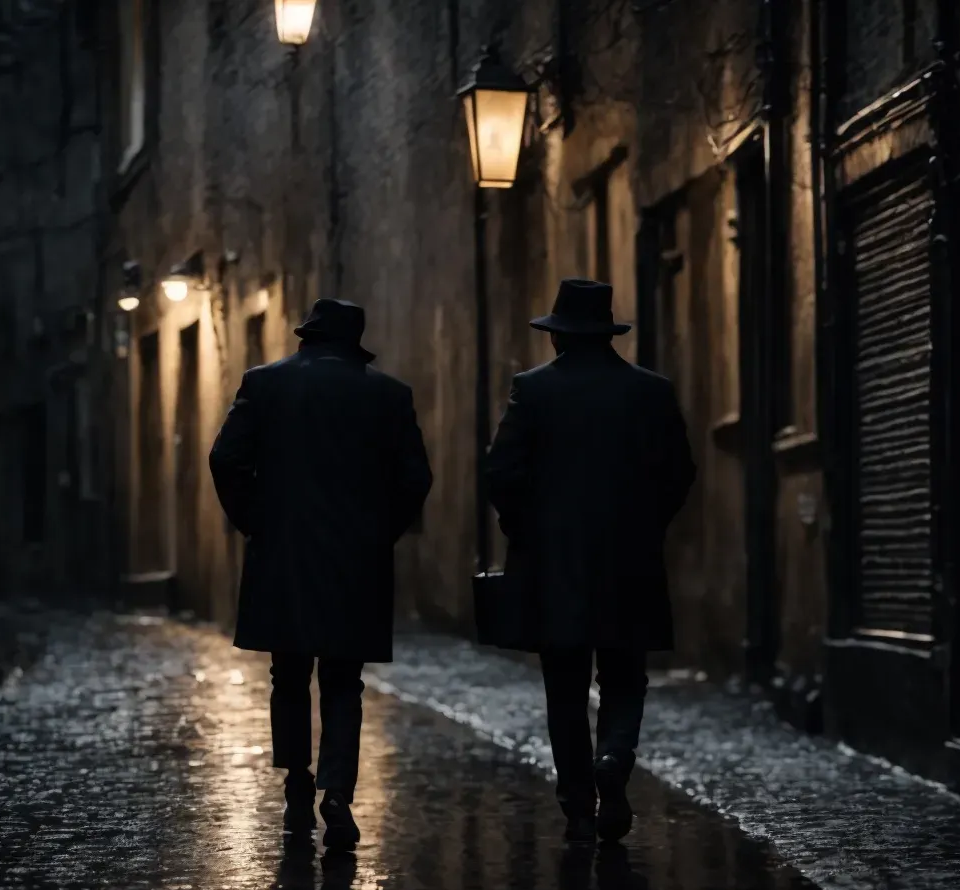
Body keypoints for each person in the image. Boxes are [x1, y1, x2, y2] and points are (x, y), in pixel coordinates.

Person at [210, 298, 432, 849]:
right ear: (354, 345)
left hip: (283, 556)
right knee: (342, 682)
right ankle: (336, 791)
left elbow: (225, 458)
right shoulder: (388, 394)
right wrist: (381, 532)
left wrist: (256, 522)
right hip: (356, 561)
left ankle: (296, 785)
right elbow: (414, 479)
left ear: (305, 338)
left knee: (288, 677)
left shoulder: (264, 385)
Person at [486, 279, 696, 843]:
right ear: (606, 334)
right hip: (631, 559)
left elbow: (501, 474)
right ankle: (616, 758)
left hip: (555, 566)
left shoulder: (533, 391)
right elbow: (679, 473)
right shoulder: (651, 392)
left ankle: (578, 800)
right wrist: (649, 526)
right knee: (626, 674)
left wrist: (524, 530)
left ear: (557, 338)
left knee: (566, 684)